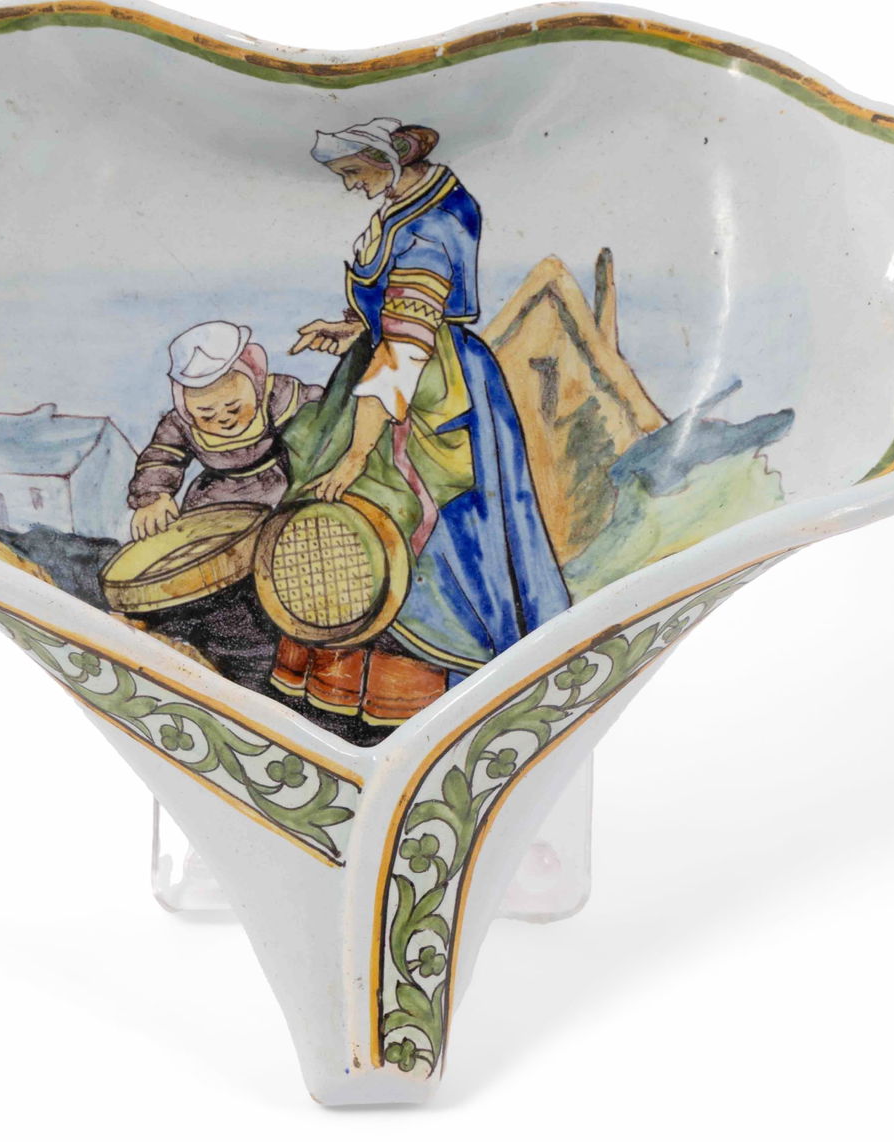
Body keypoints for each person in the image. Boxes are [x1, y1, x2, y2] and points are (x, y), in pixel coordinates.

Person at [273, 119, 569, 727]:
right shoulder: (411, 203)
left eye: (354, 172)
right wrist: (351, 327)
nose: (351, 186)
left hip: (425, 392)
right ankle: (346, 685)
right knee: (350, 528)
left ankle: (421, 696)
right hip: (395, 368)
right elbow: (397, 320)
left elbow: (406, 348)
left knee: (406, 530)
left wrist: (357, 454)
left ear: (386, 160)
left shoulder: (429, 230)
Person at [127, 321, 322, 538]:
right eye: (207, 415)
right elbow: (161, 457)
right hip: (215, 500)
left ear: (256, 383)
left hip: (280, 489)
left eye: (234, 408)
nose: (224, 418)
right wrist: (154, 496)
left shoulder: (279, 395)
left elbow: (327, 410)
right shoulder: (179, 424)